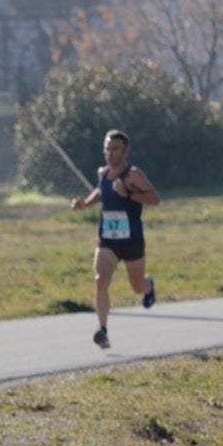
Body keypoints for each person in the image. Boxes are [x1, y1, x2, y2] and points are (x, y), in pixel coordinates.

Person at [71, 128, 161, 349]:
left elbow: (154, 198)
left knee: (137, 286)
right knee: (100, 279)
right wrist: (85, 204)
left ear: (125, 152)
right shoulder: (103, 173)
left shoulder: (133, 175)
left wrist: (128, 194)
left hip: (131, 240)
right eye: (107, 149)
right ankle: (102, 330)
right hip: (107, 240)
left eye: (115, 149)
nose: (110, 153)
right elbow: (101, 192)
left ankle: (149, 287)